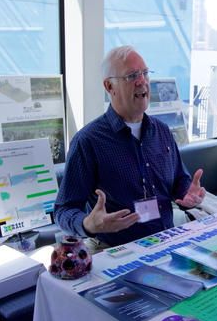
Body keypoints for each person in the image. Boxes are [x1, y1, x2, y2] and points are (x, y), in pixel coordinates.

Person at [54, 46, 205, 249]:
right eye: (132, 75)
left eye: (145, 73)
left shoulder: (162, 131)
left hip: (166, 239)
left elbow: (179, 179)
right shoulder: (88, 141)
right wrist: (87, 224)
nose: (142, 81)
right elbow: (63, 210)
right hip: (117, 250)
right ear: (110, 86)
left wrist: (186, 193)